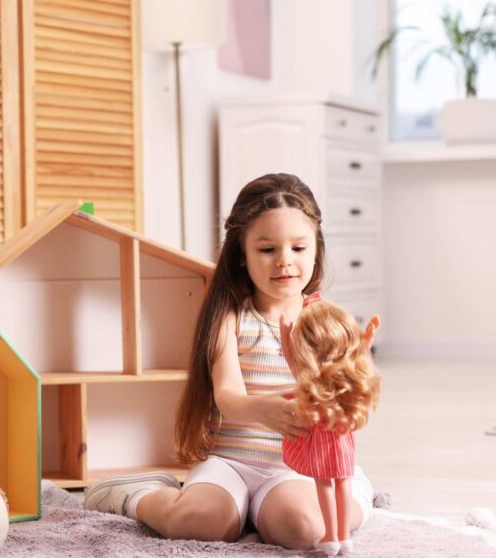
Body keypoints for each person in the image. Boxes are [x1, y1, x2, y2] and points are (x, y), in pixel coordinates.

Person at [83, 173, 375, 552]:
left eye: (298, 249)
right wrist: (262, 408)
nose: (285, 262)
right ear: (241, 255)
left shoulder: (323, 322)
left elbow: (346, 395)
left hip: (294, 467)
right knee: (199, 523)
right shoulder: (232, 317)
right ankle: (137, 495)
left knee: (303, 529)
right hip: (231, 461)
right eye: (267, 249)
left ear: (315, 249)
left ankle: (357, 491)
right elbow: (228, 394)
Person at [282, 296, 381, 555]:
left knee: (325, 483)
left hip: (322, 443)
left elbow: (292, 362)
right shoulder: (348, 383)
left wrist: (284, 336)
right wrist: (365, 344)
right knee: (343, 482)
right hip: (343, 442)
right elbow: (360, 361)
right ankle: (342, 535)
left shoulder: (313, 385)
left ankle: (331, 535)